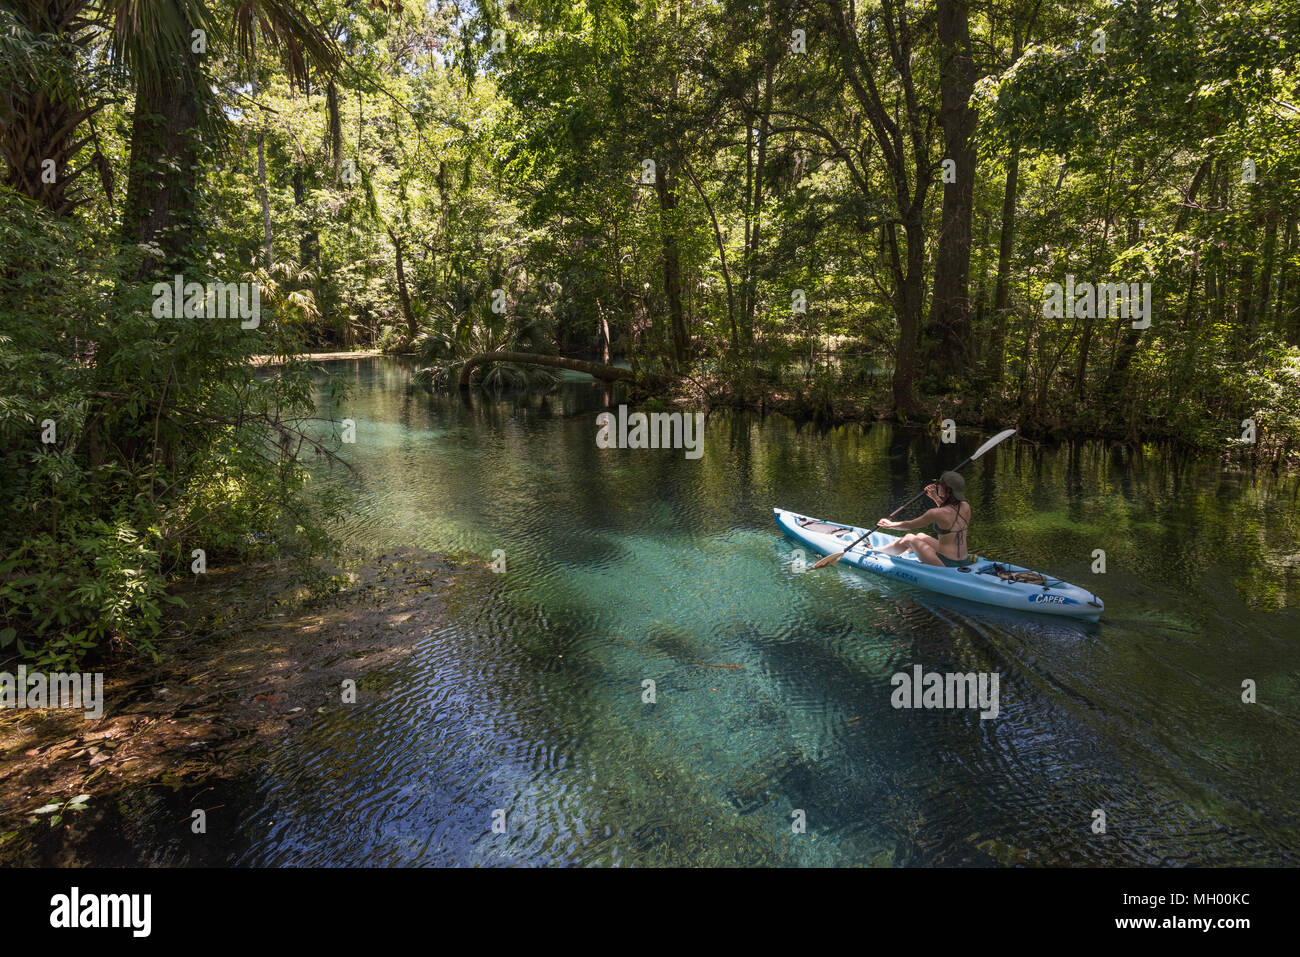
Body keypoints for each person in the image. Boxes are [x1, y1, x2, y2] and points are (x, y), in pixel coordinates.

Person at [873, 471, 973, 567]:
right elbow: (948, 513)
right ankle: (905, 553)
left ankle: (876, 551)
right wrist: (935, 497)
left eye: (939, 483)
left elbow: (909, 525)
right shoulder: (965, 506)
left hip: (946, 562)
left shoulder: (935, 513)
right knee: (920, 536)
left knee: (908, 538)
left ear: (946, 489)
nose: (937, 485)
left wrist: (890, 525)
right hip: (964, 560)